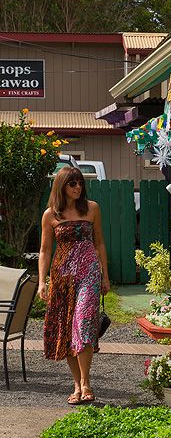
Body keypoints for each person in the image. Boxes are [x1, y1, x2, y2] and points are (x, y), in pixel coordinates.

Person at [38, 167, 110, 404]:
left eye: (79, 183)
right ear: (61, 186)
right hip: (62, 276)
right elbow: (45, 250)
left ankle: (87, 382)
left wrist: (104, 276)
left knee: (83, 323)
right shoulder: (50, 215)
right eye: (72, 184)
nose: (78, 187)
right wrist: (42, 281)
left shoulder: (93, 208)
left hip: (89, 272)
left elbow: (99, 242)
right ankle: (77, 384)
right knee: (68, 327)